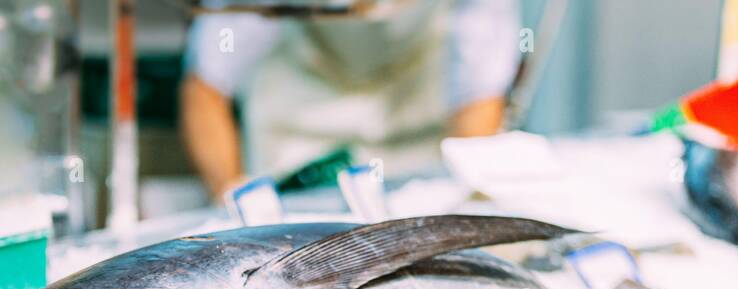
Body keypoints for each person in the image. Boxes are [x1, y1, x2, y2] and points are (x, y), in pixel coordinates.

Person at [180, 0, 522, 197]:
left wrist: (466, 198)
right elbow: (208, 87)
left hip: (419, 152)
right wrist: (233, 196)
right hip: (295, 156)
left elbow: (478, 95)